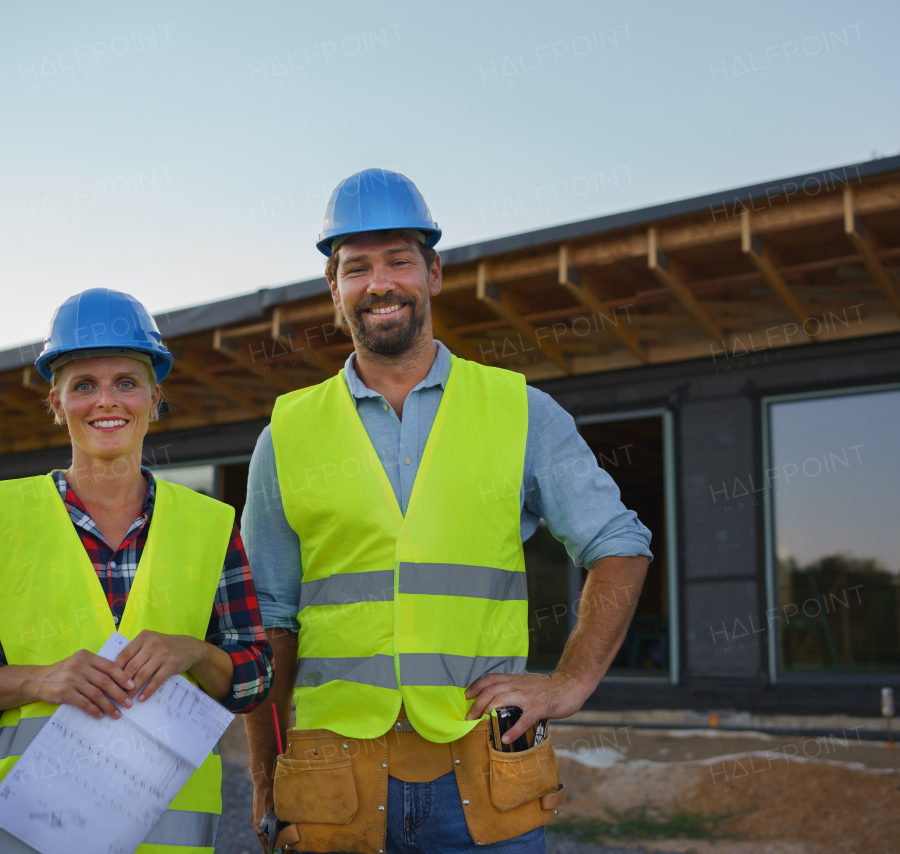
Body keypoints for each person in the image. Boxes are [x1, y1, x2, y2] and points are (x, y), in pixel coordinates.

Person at [241, 169, 652, 853]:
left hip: (485, 771)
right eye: (356, 266)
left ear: (433, 273)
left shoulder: (519, 411)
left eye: (399, 259)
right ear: (334, 288)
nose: (380, 282)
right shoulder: (286, 433)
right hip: (330, 774)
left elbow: (619, 542)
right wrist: (263, 774)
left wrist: (570, 681)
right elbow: (270, 623)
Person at [0, 289, 273, 853]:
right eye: (83, 385)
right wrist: (39, 680)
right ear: (56, 403)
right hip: (15, 835)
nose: (107, 401)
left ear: (154, 398)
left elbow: (256, 677)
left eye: (126, 382)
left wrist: (197, 653)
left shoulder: (209, 527)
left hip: (162, 837)